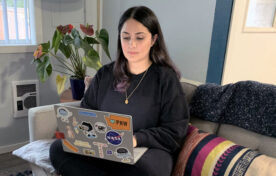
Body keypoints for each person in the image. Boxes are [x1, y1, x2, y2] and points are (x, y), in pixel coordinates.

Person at [50, 6, 189, 176]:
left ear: (153, 40)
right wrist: (75, 131)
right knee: (58, 148)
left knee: (144, 172)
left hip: (147, 151)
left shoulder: (166, 79)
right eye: (126, 37)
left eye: (139, 38)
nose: (132, 44)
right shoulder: (105, 74)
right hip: (103, 147)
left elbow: (174, 131)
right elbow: (86, 112)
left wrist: (135, 139)